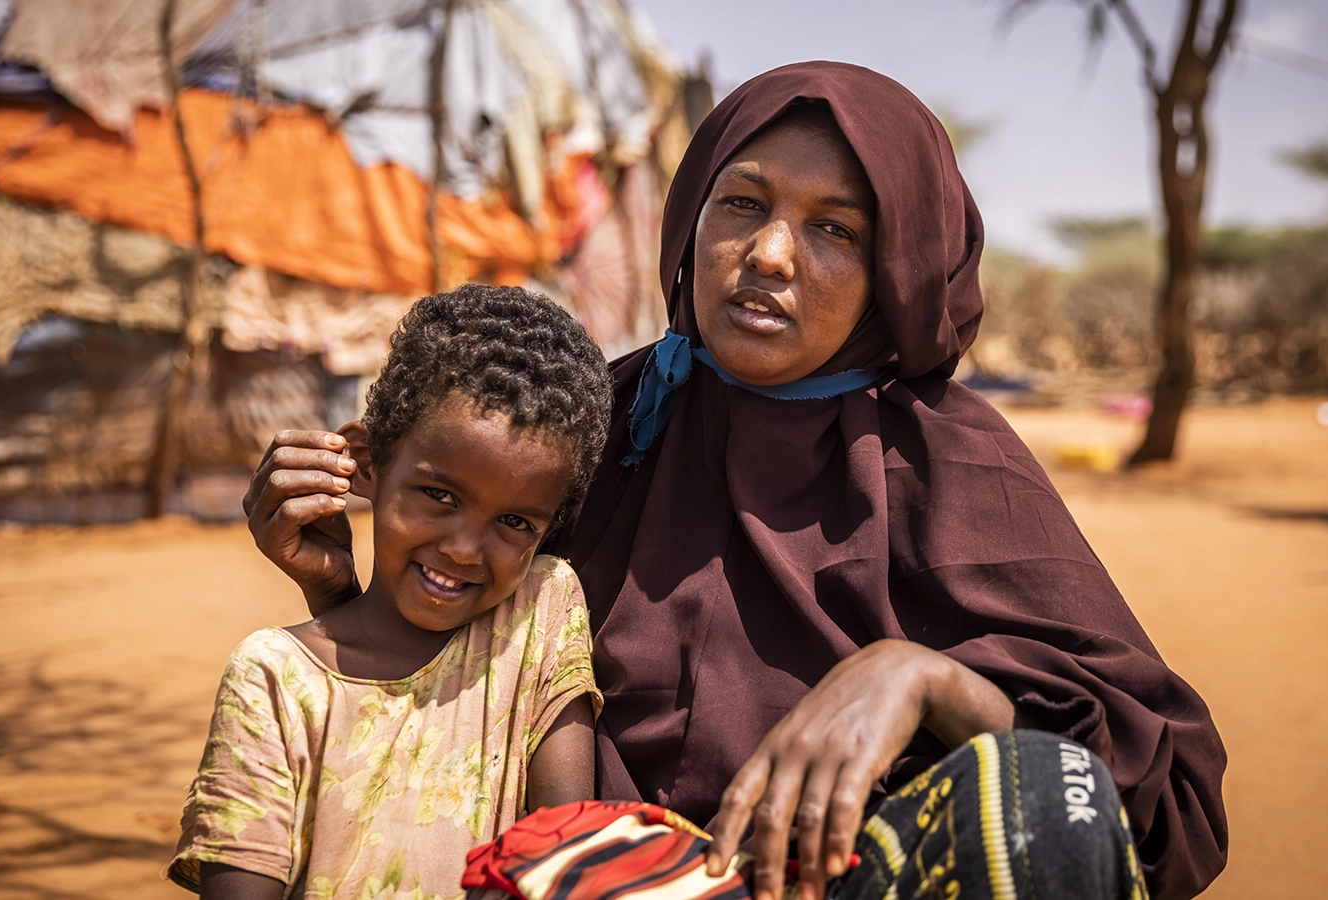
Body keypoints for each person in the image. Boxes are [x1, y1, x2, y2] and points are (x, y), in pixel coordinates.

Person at [243, 63, 1229, 900]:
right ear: (693, 217)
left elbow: (1154, 800)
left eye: (834, 230)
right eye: (744, 204)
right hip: (581, 879)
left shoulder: (952, 461)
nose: (766, 255)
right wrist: (340, 594)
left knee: (1038, 803)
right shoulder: (598, 424)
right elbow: (464, 695)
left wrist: (918, 677)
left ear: (898, 266)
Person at [172, 285, 613, 899]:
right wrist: (337, 597)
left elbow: (562, 859)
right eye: (440, 495)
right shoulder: (274, 682)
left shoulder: (536, 610)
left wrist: (340, 598)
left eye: (515, 522)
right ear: (367, 464)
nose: (464, 549)